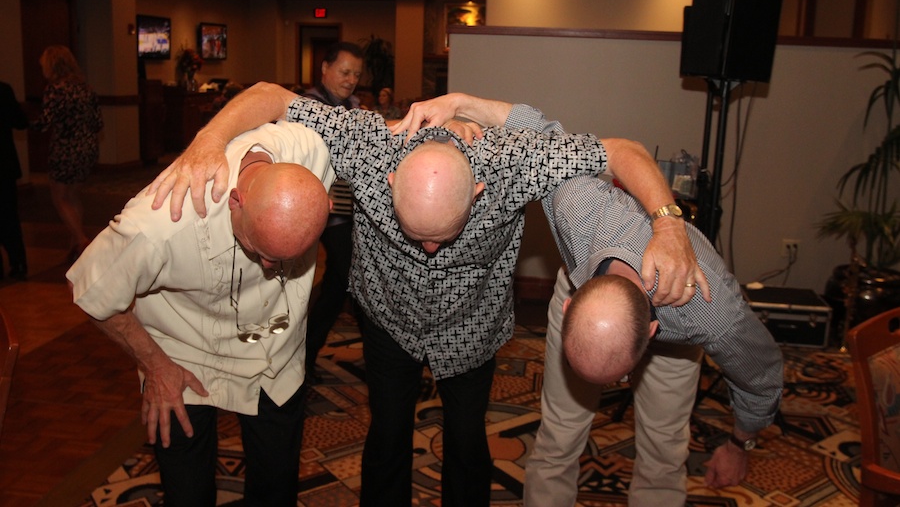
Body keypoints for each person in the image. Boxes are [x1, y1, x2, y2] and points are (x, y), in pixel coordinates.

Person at [147, 84, 706, 507]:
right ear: (387, 183)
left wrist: (668, 226)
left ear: (481, 190)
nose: (433, 251)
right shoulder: (368, 147)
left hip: (474, 325)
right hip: (387, 318)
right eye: (418, 235)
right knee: (387, 431)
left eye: (446, 235)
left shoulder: (512, 161)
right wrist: (206, 141)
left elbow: (622, 151)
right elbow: (269, 96)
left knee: (467, 439)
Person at [67, 120, 335, 507]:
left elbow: (269, 94)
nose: (268, 267)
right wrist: (155, 365)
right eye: (258, 250)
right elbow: (88, 288)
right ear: (235, 201)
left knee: (277, 489)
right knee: (187, 493)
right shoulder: (161, 220)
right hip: (181, 352)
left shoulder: (310, 149)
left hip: (275, 349)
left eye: (283, 259)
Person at [523, 175, 784, 506]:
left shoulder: (709, 307)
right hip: (587, 285)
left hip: (678, 322)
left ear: (651, 334)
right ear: (568, 308)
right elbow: (537, 128)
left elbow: (761, 375)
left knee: (664, 448)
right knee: (558, 435)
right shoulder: (575, 202)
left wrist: (739, 444)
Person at [301, 41, 364, 379]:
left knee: (339, 285)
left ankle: (305, 357)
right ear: (324, 69)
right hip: (322, 209)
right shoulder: (310, 107)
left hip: (347, 209)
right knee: (350, 279)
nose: (351, 79)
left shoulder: (353, 107)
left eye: (356, 74)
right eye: (345, 71)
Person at [34, 45, 104, 262]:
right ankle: (75, 245)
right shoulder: (86, 88)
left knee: (59, 197)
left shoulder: (55, 89)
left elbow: (44, 123)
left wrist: (25, 122)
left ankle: (82, 240)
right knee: (73, 195)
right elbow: (98, 122)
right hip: (87, 147)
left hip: (65, 149)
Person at [0, 81, 29, 280]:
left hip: (4, 165)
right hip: (3, 165)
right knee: (9, 215)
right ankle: (18, 263)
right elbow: (20, 121)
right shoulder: (3, 90)